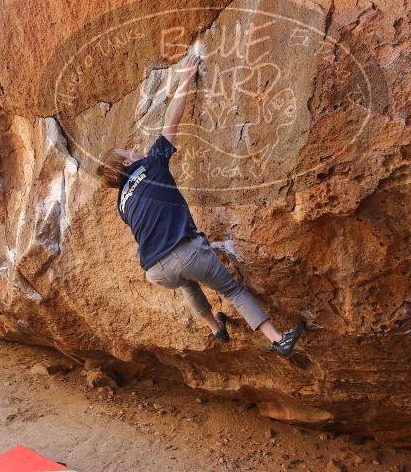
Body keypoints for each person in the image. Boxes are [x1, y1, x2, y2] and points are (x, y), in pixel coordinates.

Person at [95, 53, 304, 357]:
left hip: (155, 270)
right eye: (129, 150)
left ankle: (216, 328)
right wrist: (185, 80)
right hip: (186, 254)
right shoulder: (152, 164)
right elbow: (171, 122)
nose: (135, 149)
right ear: (128, 162)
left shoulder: (121, 203)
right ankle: (277, 340)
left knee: (186, 283)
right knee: (232, 290)